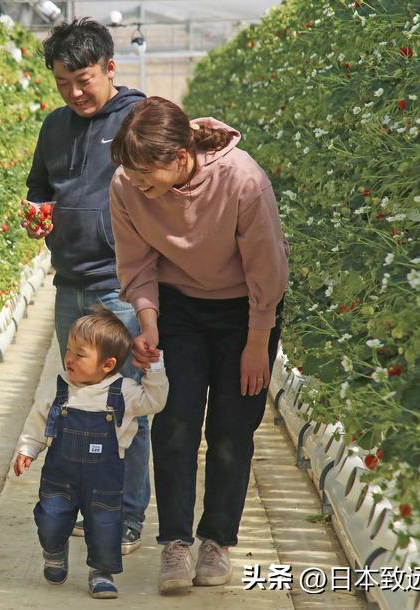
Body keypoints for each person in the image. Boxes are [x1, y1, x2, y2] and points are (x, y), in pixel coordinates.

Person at [107, 96, 290, 594]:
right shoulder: (127, 184)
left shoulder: (242, 180)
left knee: (232, 430)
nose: (138, 185)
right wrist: (148, 324)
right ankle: (175, 543)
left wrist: (257, 342)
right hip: (179, 306)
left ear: (180, 156)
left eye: (148, 175)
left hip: (245, 312)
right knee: (175, 423)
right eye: (132, 174)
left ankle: (216, 542)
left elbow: (267, 270)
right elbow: (137, 263)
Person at [22, 16, 153, 555]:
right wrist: (36, 214)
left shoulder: (137, 121)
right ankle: (94, 506)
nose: (74, 93)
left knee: (125, 405)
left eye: (84, 80)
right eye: (62, 83)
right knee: (82, 401)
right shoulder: (54, 126)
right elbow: (38, 188)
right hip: (70, 283)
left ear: (110, 69)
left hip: (122, 287)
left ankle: (126, 516)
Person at [13, 307, 168, 599]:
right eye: (69, 350)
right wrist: (27, 450)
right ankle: (54, 549)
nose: (69, 358)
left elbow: (155, 400)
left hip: (104, 482)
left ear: (108, 364)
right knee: (49, 519)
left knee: (105, 528)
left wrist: (154, 369)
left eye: (80, 354)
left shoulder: (124, 392)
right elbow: (38, 422)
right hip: (60, 478)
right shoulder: (58, 389)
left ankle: (102, 572)